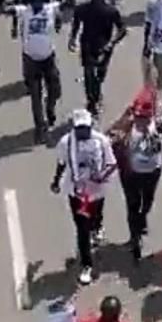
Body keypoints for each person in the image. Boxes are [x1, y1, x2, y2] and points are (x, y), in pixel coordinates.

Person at [51, 108, 117, 285]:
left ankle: (97, 226)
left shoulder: (101, 141)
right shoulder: (66, 143)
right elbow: (61, 163)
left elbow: (112, 163)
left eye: (85, 128)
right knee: (81, 228)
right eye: (79, 128)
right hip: (77, 193)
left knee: (94, 219)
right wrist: (56, 181)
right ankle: (86, 264)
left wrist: (101, 177)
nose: (82, 132)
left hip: (97, 191)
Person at [114, 90, 162, 262]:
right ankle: (135, 239)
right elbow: (111, 135)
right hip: (132, 174)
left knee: (147, 203)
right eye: (138, 116)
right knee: (133, 205)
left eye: (144, 117)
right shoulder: (128, 126)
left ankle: (141, 221)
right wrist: (122, 121)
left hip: (152, 173)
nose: (141, 120)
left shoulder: (157, 124)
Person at [12, 0, 62, 142]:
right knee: (35, 95)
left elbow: (69, 3)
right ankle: (40, 127)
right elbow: (7, 8)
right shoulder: (23, 11)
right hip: (30, 58)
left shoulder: (51, 8)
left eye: (39, 2)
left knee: (55, 88)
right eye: (34, 2)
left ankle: (50, 108)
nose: (37, 5)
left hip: (48, 56)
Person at [69, 0, 126, 114]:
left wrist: (111, 43)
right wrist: (72, 38)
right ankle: (92, 101)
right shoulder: (82, 9)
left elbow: (122, 29)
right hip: (88, 46)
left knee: (100, 74)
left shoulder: (111, 11)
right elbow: (76, 25)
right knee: (89, 73)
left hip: (103, 46)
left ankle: (96, 93)